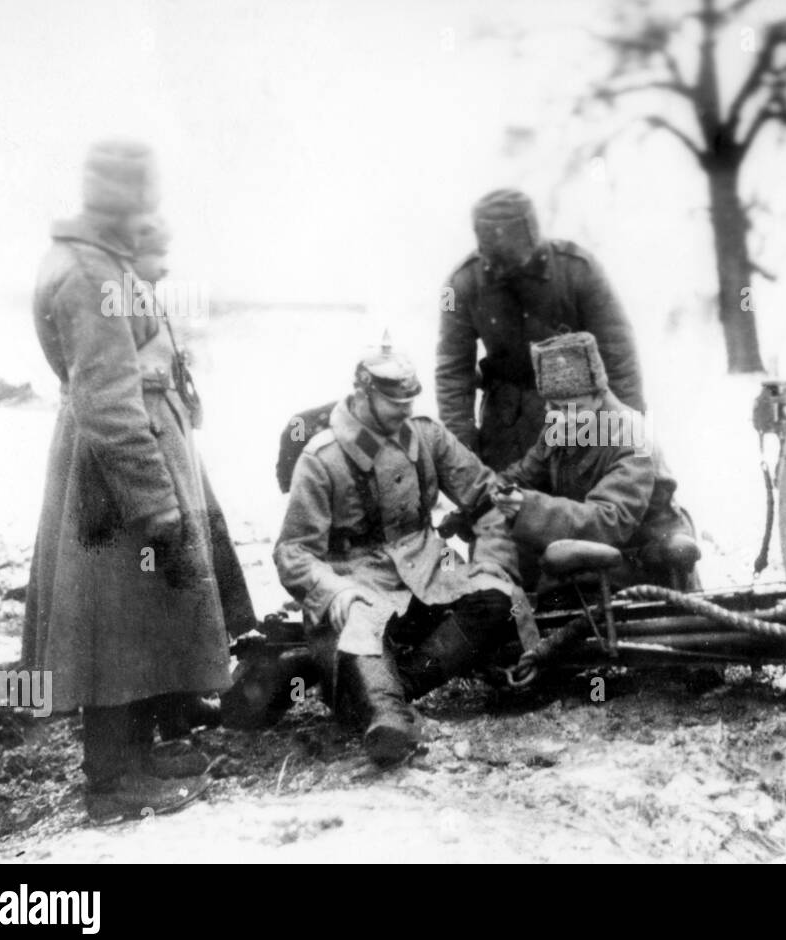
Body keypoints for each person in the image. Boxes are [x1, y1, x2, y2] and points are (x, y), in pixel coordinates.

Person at [24, 140, 257, 822]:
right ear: (120, 200)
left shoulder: (99, 261)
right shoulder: (87, 273)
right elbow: (108, 404)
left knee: (139, 614)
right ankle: (111, 783)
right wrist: (157, 508)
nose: (148, 213)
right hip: (111, 475)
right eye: (140, 199)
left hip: (116, 461)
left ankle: (137, 756)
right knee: (111, 623)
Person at [273, 343, 523, 767]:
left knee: (496, 598)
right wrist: (334, 591)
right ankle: (387, 722)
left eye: (410, 403)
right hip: (356, 574)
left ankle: (380, 696)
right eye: (394, 404)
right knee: (359, 622)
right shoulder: (322, 458)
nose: (405, 412)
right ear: (362, 394)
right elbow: (293, 551)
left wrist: (491, 558)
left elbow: (488, 497)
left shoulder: (426, 435)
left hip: (427, 566)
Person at [436, 188, 645, 469]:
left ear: (533, 242)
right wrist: (463, 452)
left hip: (578, 418)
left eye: (515, 263)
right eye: (496, 266)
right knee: (506, 493)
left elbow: (619, 355)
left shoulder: (581, 269)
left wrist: (630, 434)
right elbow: (451, 371)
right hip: (506, 427)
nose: (505, 273)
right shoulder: (454, 287)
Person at [493, 332, 697, 594]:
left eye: (576, 408)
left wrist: (526, 506)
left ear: (599, 397)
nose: (565, 418)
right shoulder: (560, 427)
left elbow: (609, 521)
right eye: (555, 407)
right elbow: (522, 476)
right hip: (592, 558)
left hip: (643, 564)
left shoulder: (633, 437)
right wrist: (489, 493)